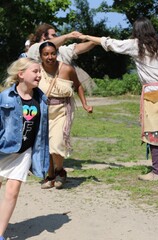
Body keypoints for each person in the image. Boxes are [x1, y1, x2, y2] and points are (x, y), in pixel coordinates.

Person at [79, 17, 158, 181]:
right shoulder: (157, 45)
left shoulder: (137, 45)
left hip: (153, 93)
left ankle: (157, 171)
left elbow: (110, 43)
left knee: (154, 131)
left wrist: (87, 37)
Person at [0, 58, 49, 240]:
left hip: (24, 152)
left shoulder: (41, 98)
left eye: (39, 71)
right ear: (21, 74)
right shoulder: (5, 97)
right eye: (35, 71)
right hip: (3, 149)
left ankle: (0, 233)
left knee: (12, 191)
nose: (39, 75)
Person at [39, 41, 93, 189]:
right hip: (43, 112)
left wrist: (85, 104)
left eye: (52, 53)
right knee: (45, 145)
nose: (50, 57)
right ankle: (50, 175)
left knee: (57, 143)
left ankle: (60, 171)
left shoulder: (66, 69)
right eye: (46, 54)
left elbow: (78, 85)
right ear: (40, 56)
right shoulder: (37, 70)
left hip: (62, 110)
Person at [27, 23, 97, 95]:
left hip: (63, 99)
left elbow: (77, 48)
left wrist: (96, 41)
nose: (56, 37)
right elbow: (47, 44)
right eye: (53, 35)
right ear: (44, 36)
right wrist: (68, 36)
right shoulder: (34, 48)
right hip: (40, 98)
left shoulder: (61, 50)